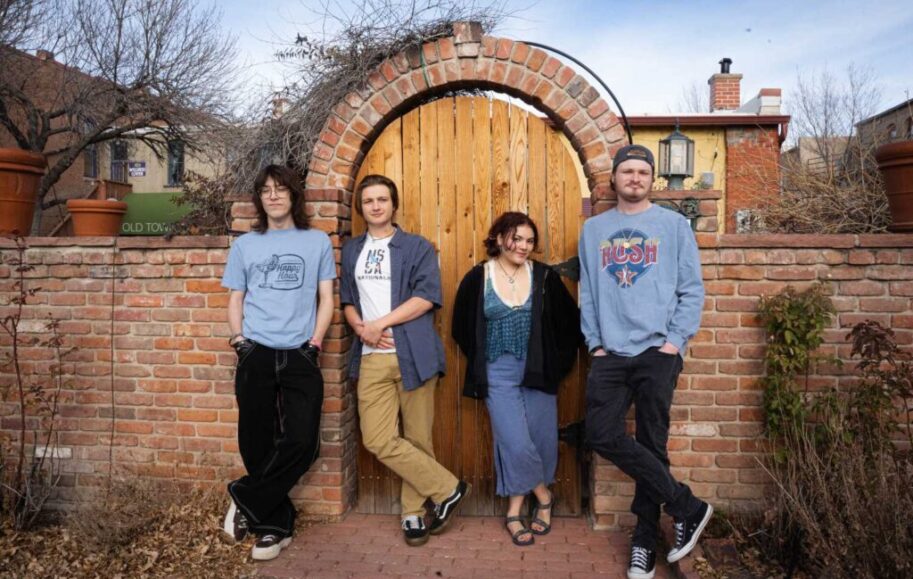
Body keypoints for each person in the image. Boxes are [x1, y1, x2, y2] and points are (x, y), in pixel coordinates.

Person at [578, 145, 713, 579]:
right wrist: (595, 343)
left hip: (658, 351)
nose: (634, 178)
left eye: (642, 171)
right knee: (601, 433)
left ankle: (644, 539)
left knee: (653, 444)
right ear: (614, 179)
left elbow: (692, 288)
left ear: (651, 178)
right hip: (610, 353)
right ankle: (687, 506)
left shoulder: (673, 226)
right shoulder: (594, 230)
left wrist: (674, 342)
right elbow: (587, 292)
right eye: (626, 171)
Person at [339, 174, 470, 547]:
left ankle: (412, 514)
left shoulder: (416, 247)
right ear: (361, 207)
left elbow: (427, 296)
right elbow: (348, 299)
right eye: (368, 201)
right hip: (371, 357)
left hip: (413, 354)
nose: (376, 206)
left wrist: (381, 322)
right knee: (377, 438)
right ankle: (448, 488)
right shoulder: (351, 251)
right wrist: (362, 328)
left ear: (394, 205)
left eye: (382, 199)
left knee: (417, 437)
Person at [220, 165, 336, 561]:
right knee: (256, 440)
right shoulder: (245, 246)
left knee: (303, 442)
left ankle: (245, 497)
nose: (273, 196)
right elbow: (235, 298)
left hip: (301, 351)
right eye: (266, 190)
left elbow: (327, 299)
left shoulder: (317, 241)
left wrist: (315, 343)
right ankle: (275, 528)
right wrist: (240, 342)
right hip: (256, 351)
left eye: (280, 189)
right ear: (259, 198)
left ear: (293, 196)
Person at [452, 212, 581, 547]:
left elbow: (571, 325)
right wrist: (484, 360)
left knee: (540, 440)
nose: (523, 246)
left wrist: (556, 365)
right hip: (498, 373)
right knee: (514, 441)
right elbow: (461, 328)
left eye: (529, 241)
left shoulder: (544, 278)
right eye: (516, 239)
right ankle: (545, 496)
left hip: (537, 371)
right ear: (498, 238)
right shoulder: (478, 278)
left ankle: (514, 510)